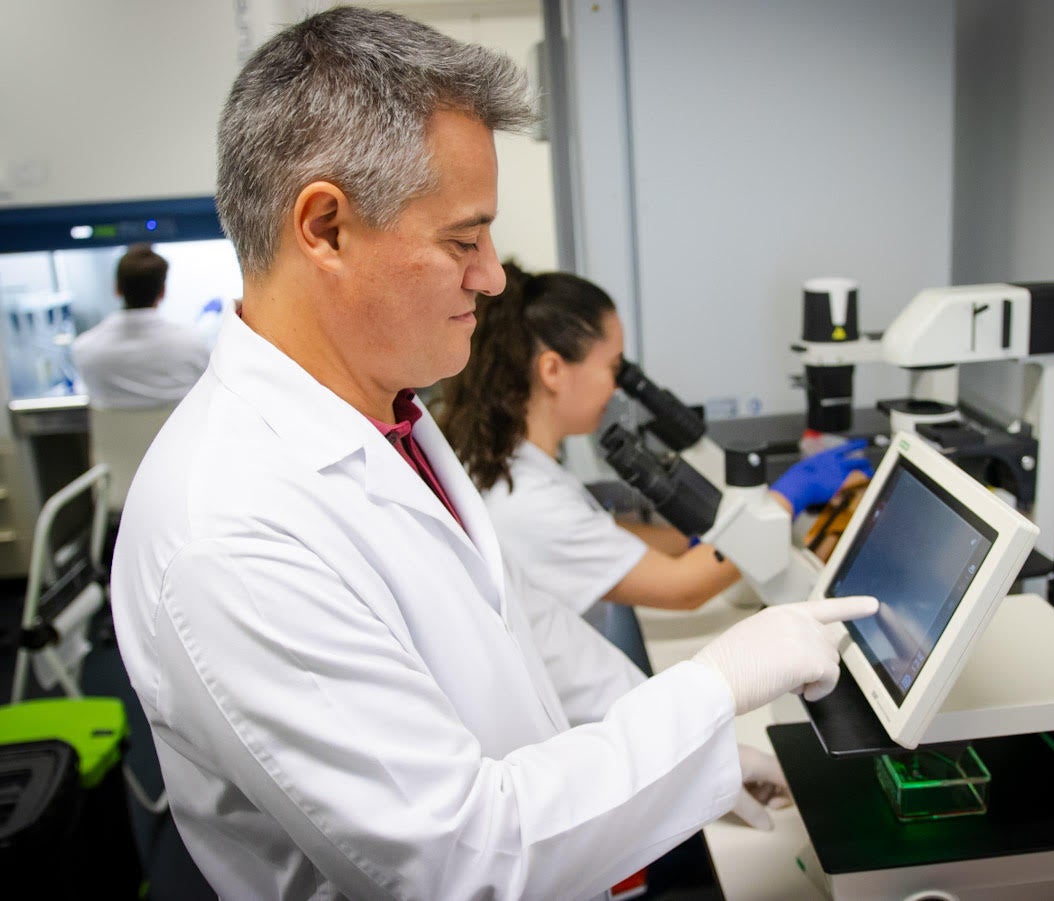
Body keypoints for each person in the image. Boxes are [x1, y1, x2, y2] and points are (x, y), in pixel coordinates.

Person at [109, 8, 877, 900]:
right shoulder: (229, 531)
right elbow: (456, 860)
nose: (494, 276)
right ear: (324, 227)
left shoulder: (390, 416)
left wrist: (688, 760)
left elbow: (510, 661)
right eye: (462, 240)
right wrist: (709, 692)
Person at [438, 262, 873, 629]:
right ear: (553, 370)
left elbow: (602, 534)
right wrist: (787, 495)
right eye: (613, 368)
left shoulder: (516, 465)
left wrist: (694, 538)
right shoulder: (530, 503)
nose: (619, 387)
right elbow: (684, 588)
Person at [71, 243, 210, 409]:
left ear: (117, 289)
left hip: (115, 436)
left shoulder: (84, 349)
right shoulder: (193, 345)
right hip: (180, 435)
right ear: (162, 291)